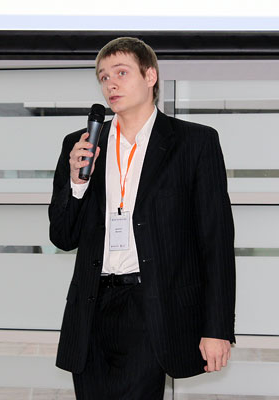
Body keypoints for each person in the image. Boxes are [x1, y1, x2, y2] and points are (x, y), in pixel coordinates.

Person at [48, 37, 236, 400]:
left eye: (121, 72)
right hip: (91, 309)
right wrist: (76, 183)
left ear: (150, 76)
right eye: (103, 77)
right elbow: (62, 236)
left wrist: (217, 328)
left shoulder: (194, 143)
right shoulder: (82, 146)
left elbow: (216, 243)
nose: (110, 84)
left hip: (153, 307)